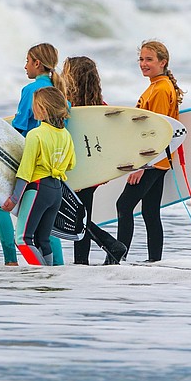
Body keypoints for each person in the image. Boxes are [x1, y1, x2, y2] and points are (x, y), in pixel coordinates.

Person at [0, 43, 66, 265]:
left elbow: (18, 130)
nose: (25, 67)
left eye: (27, 61)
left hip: (30, 164)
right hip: (55, 172)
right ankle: (58, 267)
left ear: (37, 63)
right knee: (46, 224)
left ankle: (11, 262)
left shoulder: (31, 91)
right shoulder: (60, 91)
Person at [110, 40, 184, 263]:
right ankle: (155, 261)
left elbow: (156, 131)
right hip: (158, 161)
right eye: (141, 59)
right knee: (150, 212)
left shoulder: (161, 89)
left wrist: (142, 165)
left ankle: (118, 260)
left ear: (163, 62)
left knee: (124, 205)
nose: (143, 63)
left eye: (149, 59)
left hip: (153, 161)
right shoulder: (156, 85)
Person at [62, 56, 128, 265]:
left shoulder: (69, 108)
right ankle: (82, 262)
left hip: (75, 172)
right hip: (91, 173)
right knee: (80, 216)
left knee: (75, 218)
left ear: (73, 78)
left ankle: (110, 246)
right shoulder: (99, 108)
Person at [1, 87, 76, 266]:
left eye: (35, 106)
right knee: (43, 240)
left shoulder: (36, 135)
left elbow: (25, 171)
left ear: (43, 109)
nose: (32, 109)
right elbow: (71, 164)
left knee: (23, 239)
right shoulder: (66, 135)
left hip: (38, 189)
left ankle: (42, 275)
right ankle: (49, 278)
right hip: (56, 191)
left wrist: (14, 198)